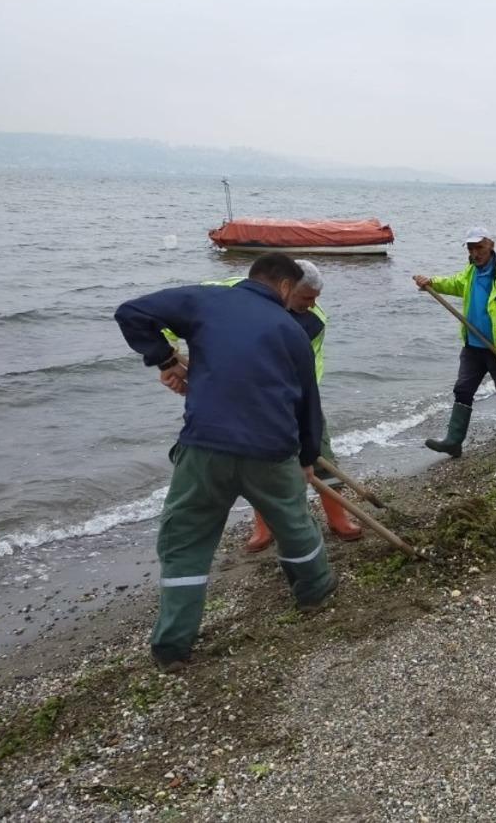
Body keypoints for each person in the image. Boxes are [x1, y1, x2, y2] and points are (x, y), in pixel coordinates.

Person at [115, 252, 337, 672]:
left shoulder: (205, 301)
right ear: (286, 286)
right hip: (271, 450)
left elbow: (131, 312)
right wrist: (308, 459)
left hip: (206, 447)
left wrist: (163, 358)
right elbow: (309, 404)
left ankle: (172, 646)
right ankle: (315, 591)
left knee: (185, 543)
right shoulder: (292, 332)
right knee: (294, 525)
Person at [161, 261, 363, 551]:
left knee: (320, 454)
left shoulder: (314, 320)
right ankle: (263, 526)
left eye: (316, 297)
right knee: (258, 461)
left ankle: (338, 518)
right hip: (233, 400)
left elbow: (309, 371)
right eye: (306, 297)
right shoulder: (224, 294)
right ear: (285, 287)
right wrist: (169, 358)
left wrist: (293, 405)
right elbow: (165, 318)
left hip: (288, 398)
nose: (312, 304)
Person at [412, 227, 496, 457]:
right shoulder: (471, 271)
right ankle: (454, 441)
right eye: (471, 248)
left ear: (491, 246)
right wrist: (432, 282)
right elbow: (456, 284)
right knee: (463, 389)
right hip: (472, 344)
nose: (475, 253)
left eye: (479, 248)